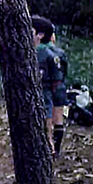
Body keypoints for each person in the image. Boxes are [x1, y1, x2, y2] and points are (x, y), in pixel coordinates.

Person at [31, 15, 69, 158]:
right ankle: (56, 149)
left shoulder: (39, 52)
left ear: (40, 35)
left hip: (47, 87)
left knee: (48, 117)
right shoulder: (59, 52)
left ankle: (50, 146)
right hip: (60, 86)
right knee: (58, 117)